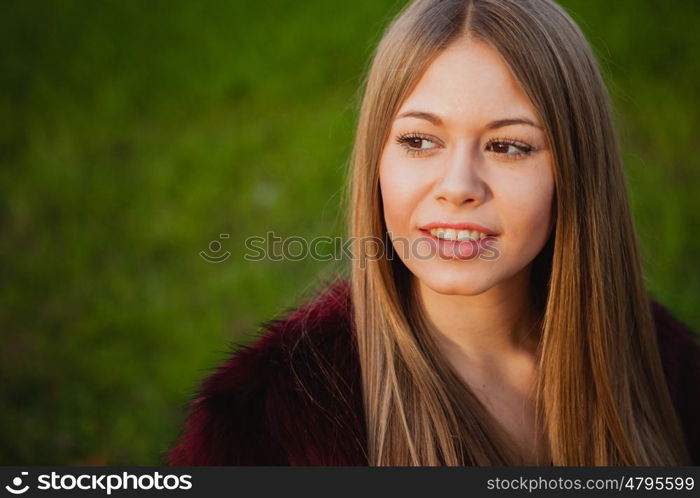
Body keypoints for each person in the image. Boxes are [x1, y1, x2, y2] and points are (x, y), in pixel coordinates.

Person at [166, 0, 700, 466]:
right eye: (420, 141)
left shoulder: (666, 368)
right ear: (377, 158)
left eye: (509, 146)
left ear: (577, 171)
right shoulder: (266, 421)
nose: (459, 187)